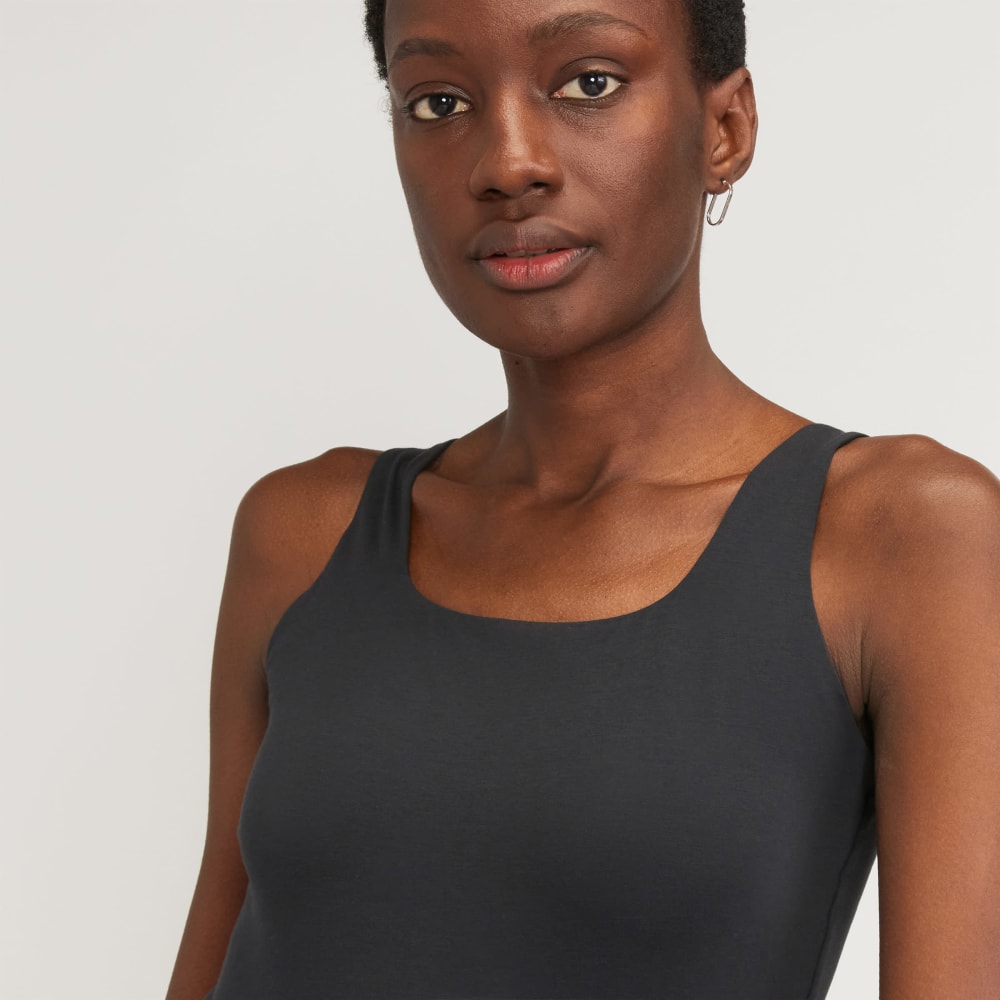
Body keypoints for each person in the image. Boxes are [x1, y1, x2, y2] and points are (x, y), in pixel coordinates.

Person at [166, 1, 1000, 997]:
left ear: (724, 129)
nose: (507, 163)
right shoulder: (306, 533)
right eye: (438, 102)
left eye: (588, 83)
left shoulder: (899, 537)